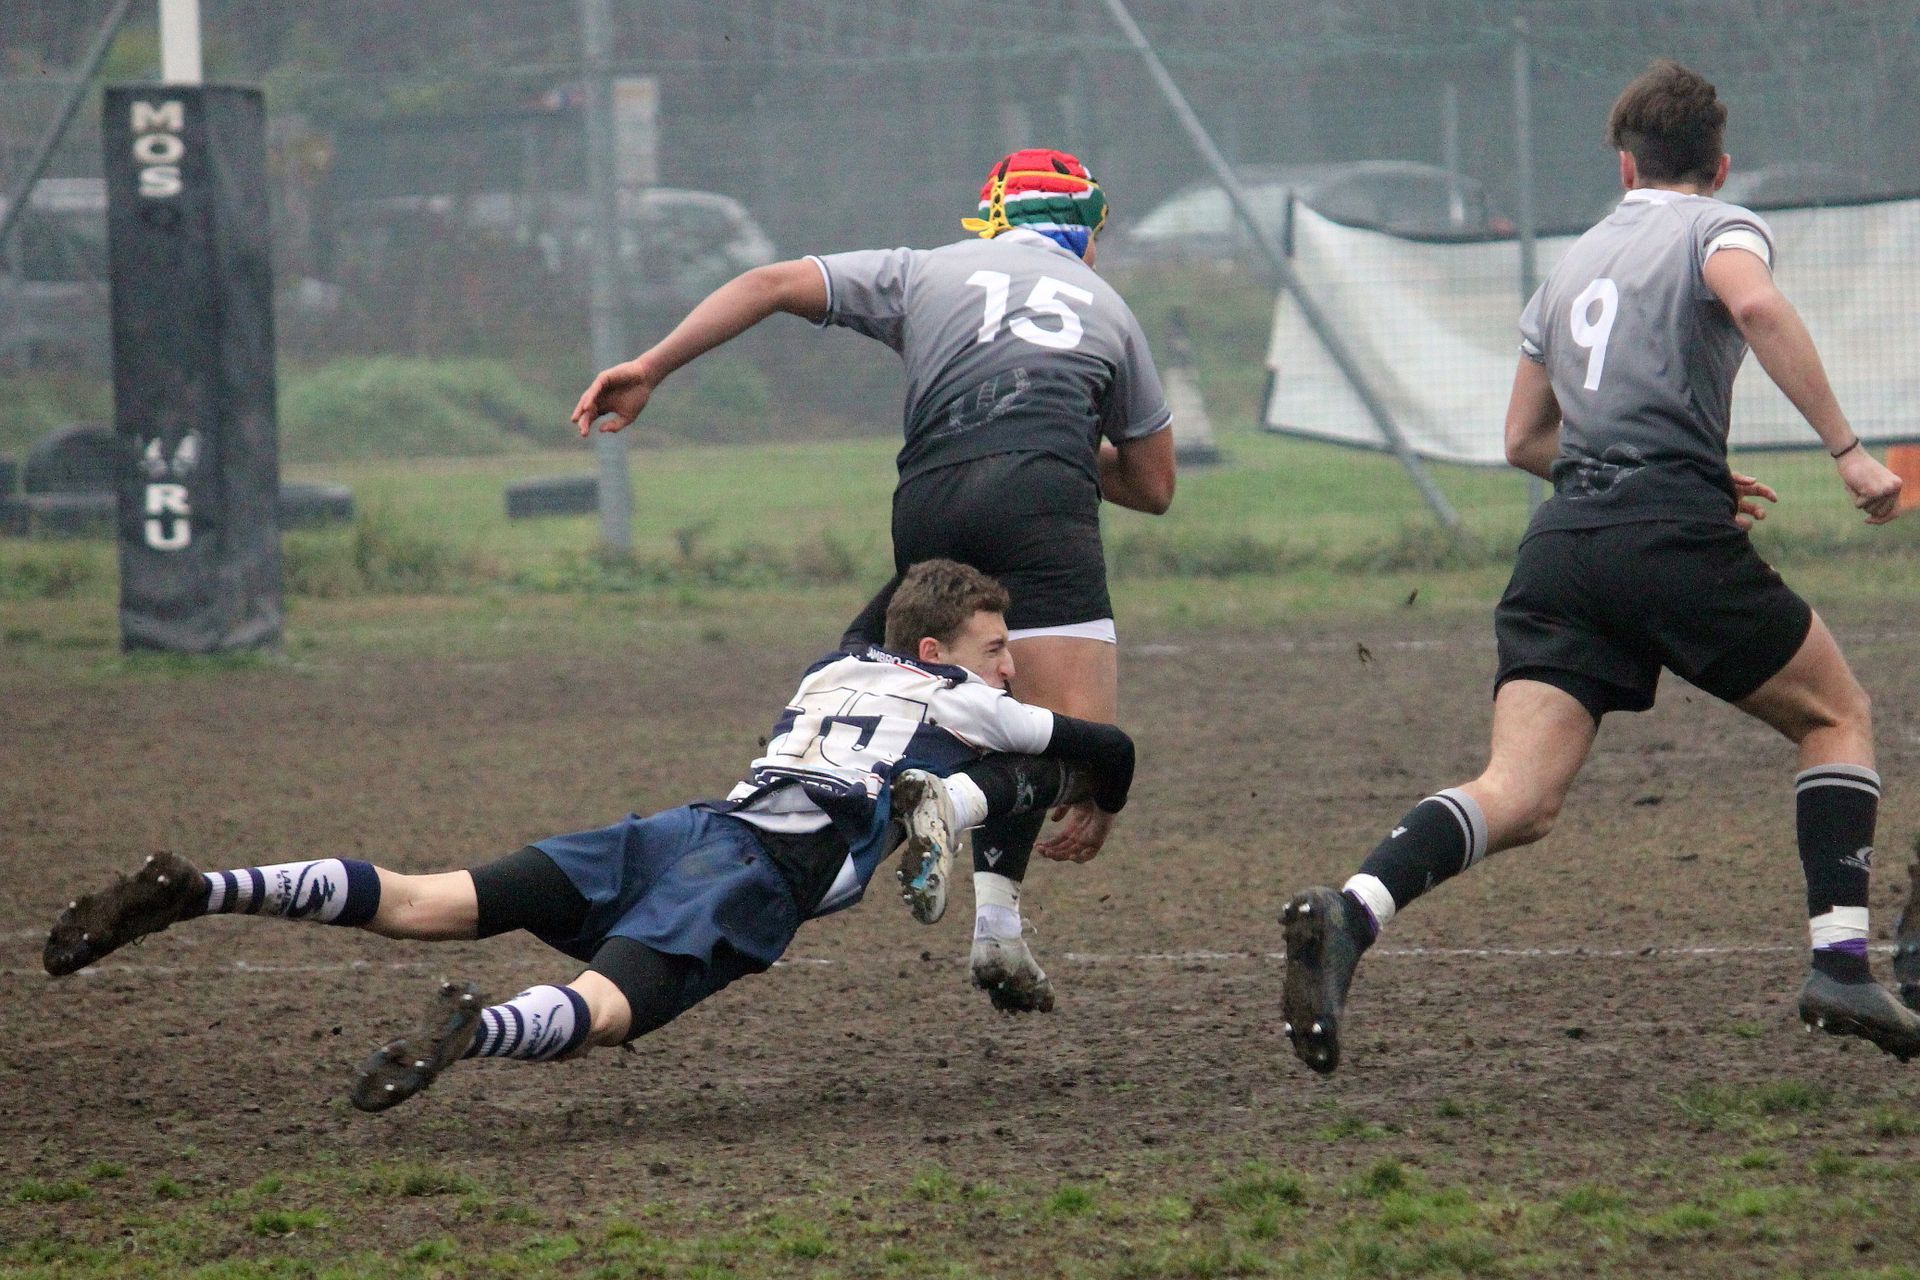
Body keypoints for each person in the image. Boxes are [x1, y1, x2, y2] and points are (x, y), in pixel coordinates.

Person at [1278, 59, 1914, 1075]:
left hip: (1566, 540)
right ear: (1720, 162)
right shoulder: (1722, 226)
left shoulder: (1569, 266)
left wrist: (1673, 465)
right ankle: (1840, 960)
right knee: (1836, 715)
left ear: (1625, 165)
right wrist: (1845, 449)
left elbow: (1525, 438)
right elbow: (1753, 306)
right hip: (1664, 533)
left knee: (1518, 792)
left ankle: (1351, 912)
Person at [41, 560, 1136, 1110]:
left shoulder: (838, 664)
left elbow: (884, 603)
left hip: (681, 825)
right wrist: (1095, 790)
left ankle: (203, 887)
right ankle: (477, 1034)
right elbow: (1102, 742)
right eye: (997, 645)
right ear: (942, 649)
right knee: (609, 1012)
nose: (1010, 663)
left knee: (437, 898)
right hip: (762, 868)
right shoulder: (965, 698)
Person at [571, 148, 1175, 1011]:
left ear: (992, 220)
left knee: (941, 689)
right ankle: (966, 836)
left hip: (927, 499)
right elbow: (1153, 487)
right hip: (1041, 498)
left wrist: (652, 367)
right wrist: (1062, 433)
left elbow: (773, 282)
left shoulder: (921, 270)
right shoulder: (1107, 305)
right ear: (1088, 236)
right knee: (1072, 748)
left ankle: (989, 928)